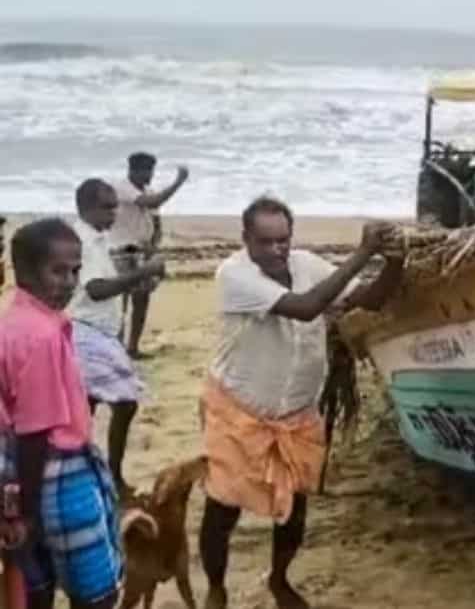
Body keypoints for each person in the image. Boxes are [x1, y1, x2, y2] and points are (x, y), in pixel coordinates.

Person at [198, 197, 400, 609]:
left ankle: (280, 579)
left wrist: (395, 260)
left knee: (294, 507)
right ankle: (217, 588)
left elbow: (372, 299)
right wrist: (363, 252)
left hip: (296, 412)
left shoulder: (309, 265)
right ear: (245, 240)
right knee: (224, 507)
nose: (276, 250)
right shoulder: (235, 275)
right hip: (238, 409)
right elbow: (306, 309)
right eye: (265, 241)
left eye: (283, 240)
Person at [0, 218, 123, 608]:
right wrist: (29, 513)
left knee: (33, 580)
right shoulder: (43, 336)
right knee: (96, 591)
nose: (70, 282)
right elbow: (36, 431)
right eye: (58, 271)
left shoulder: (13, 322)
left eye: (76, 270)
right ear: (25, 272)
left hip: (14, 470)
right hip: (55, 474)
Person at [68, 179, 166, 494]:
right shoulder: (83, 241)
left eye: (114, 206)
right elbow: (96, 289)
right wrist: (143, 272)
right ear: (85, 208)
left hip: (95, 331)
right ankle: (113, 474)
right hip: (87, 331)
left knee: (89, 402)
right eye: (107, 207)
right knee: (124, 401)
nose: (114, 213)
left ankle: (92, 471)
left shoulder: (95, 237)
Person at [110, 152, 189, 360]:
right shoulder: (122, 188)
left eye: (151, 170)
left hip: (141, 250)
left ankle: (133, 347)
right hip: (121, 250)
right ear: (133, 170)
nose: (150, 175)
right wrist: (178, 182)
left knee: (141, 299)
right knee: (121, 303)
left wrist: (154, 245)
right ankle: (116, 348)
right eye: (147, 171)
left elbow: (155, 220)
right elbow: (152, 202)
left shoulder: (147, 189)